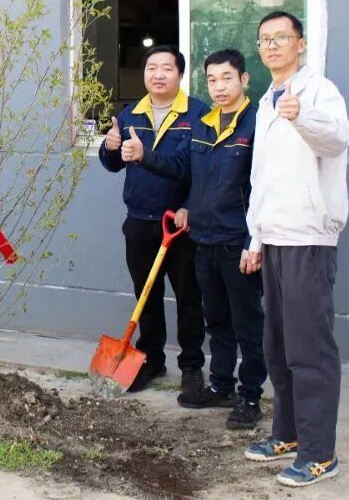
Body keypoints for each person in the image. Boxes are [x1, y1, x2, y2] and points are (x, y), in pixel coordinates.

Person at [241, 11, 349, 488]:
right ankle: (286, 434)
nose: (271, 46)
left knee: (310, 350)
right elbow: (261, 177)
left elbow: (338, 138)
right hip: (275, 237)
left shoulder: (319, 91)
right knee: (280, 347)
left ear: (300, 44)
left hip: (308, 237)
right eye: (264, 39)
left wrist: (301, 114)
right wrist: (256, 236)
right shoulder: (266, 101)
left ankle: (320, 453)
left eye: (281, 38)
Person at [134, 49, 265, 429]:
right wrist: (145, 156)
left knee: (247, 323)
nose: (219, 86)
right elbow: (187, 171)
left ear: (244, 80)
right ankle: (221, 385)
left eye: (227, 78)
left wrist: (254, 241)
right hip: (204, 239)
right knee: (217, 320)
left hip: (238, 241)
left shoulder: (258, 123)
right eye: (212, 79)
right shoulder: (204, 124)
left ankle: (250, 396)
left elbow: (265, 186)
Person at [99, 45, 209, 399]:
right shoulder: (131, 113)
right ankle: (151, 359)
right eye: (151, 68)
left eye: (166, 68)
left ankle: (191, 365)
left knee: (189, 297)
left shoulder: (198, 114)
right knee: (146, 295)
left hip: (180, 225)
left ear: (180, 74)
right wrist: (109, 147)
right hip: (139, 221)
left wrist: (190, 206)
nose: (158, 74)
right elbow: (113, 164)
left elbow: (201, 169)